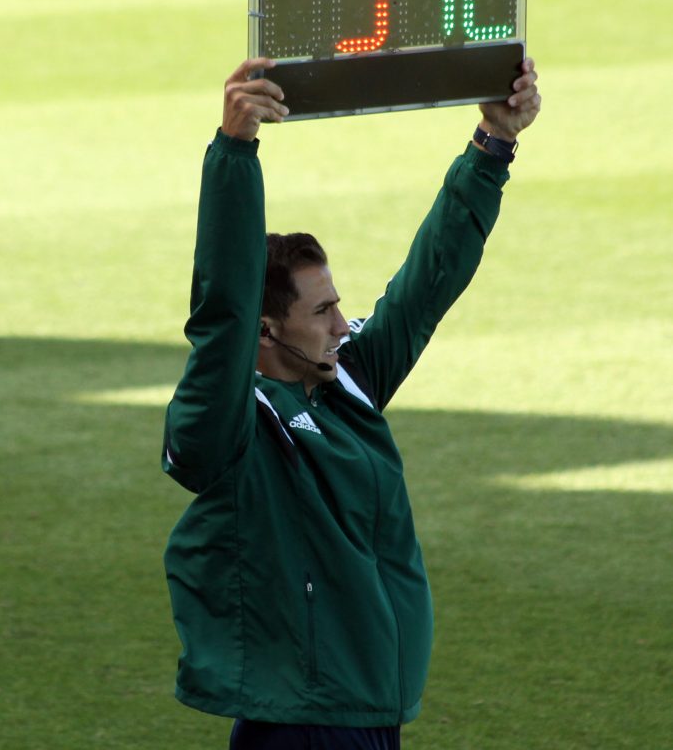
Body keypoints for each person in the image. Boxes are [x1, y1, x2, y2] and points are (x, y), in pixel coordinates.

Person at [162, 57, 541, 749]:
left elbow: (426, 283)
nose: (344, 323)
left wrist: (494, 143)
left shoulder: (346, 379)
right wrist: (235, 152)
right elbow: (222, 313)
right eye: (324, 309)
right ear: (267, 329)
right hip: (306, 724)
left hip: (367, 713)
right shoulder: (233, 422)